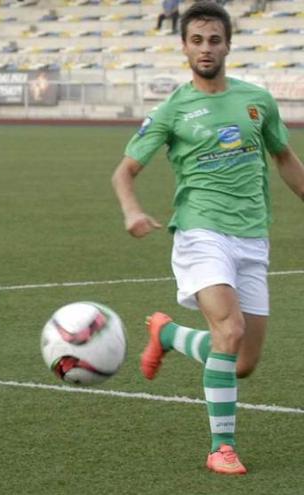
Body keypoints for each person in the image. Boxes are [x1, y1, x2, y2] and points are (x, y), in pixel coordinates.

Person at [111, 2, 304, 476]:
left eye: (214, 40)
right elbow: (125, 171)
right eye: (196, 40)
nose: (205, 48)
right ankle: (222, 448)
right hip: (200, 232)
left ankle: (169, 333)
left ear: (227, 45)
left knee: (242, 361)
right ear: (183, 47)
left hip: (252, 236)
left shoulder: (257, 99)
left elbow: (284, 160)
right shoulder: (172, 109)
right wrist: (132, 210)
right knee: (230, 330)